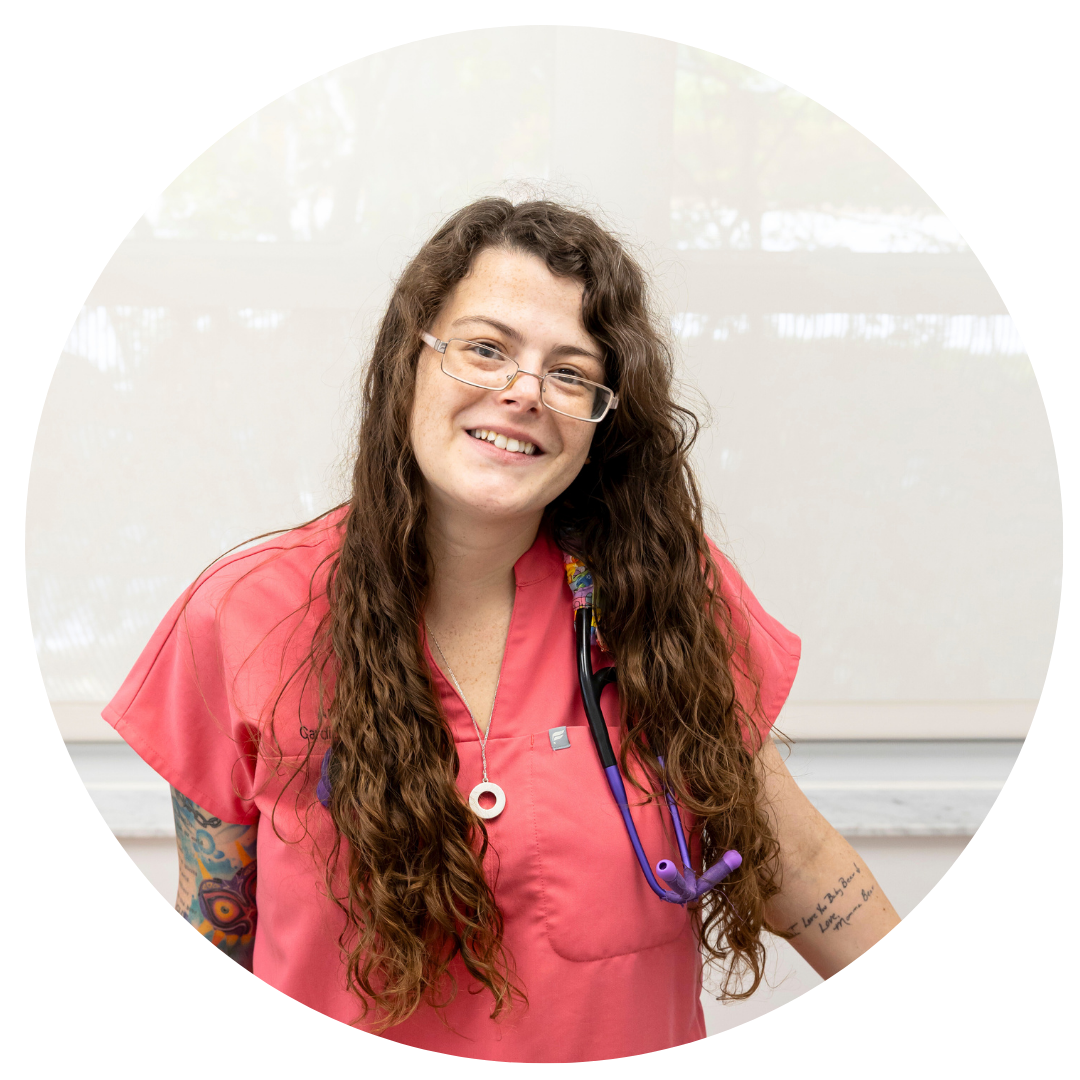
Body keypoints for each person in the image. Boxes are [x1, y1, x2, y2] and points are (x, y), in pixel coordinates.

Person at [104, 198, 900, 1061]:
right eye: (486, 349)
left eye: (570, 373)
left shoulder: (667, 595)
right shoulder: (243, 615)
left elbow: (796, 862)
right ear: (410, 360)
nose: (524, 392)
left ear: (600, 419)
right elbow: (215, 922)